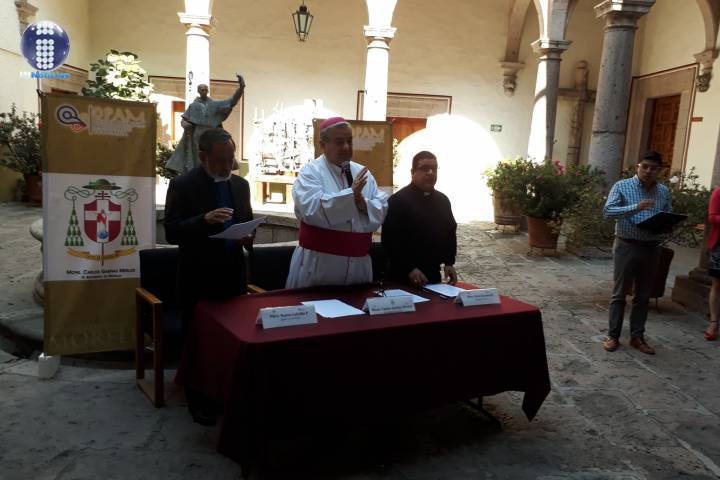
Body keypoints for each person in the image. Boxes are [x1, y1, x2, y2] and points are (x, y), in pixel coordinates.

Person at [164, 128, 253, 425]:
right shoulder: (183, 185)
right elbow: (172, 232)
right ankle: (199, 401)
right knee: (199, 343)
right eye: (220, 160)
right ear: (203, 157)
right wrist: (203, 220)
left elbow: (246, 221)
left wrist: (247, 237)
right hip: (198, 277)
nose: (227, 166)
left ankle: (228, 393)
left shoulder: (240, 185)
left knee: (231, 340)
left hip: (233, 275)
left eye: (231, 159)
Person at [285, 117, 388, 288]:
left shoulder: (363, 173)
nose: (346, 147)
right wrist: (351, 197)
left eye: (349, 141)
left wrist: (363, 203)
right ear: (323, 145)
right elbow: (311, 210)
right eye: (339, 142)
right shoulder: (310, 173)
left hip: (359, 268)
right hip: (318, 266)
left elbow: (382, 206)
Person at [602, 151, 672, 355]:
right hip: (627, 245)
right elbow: (608, 211)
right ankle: (613, 335)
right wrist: (636, 207)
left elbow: (667, 213)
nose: (649, 171)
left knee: (643, 295)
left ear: (659, 171)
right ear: (637, 167)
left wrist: (667, 224)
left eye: (654, 168)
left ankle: (637, 337)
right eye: (645, 167)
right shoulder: (622, 186)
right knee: (619, 293)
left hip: (652, 247)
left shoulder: (663, 191)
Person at [382, 151, 458, 286]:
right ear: (413, 172)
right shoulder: (398, 201)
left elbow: (449, 234)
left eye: (434, 168)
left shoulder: (443, 200)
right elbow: (390, 240)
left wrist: (449, 262)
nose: (430, 173)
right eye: (424, 168)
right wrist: (409, 268)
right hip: (402, 277)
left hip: (432, 276)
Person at [166, 75, 245, 174]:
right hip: (197, 135)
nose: (204, 91)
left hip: (212, 134)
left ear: (207, 91)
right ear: (198, 91)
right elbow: (184, 119)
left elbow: (232, 101)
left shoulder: (214, 105)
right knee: (197, 157)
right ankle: (198, 174)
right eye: (202, 90)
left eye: (205, 90)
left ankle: (213, 172)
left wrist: (241, 88)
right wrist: (185, 124)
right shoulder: (194, 106)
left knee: (214, 153)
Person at [705, 187, 720, 341]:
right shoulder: (719, 192)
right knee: (717, 284)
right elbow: (713, 217)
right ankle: (714, 323)